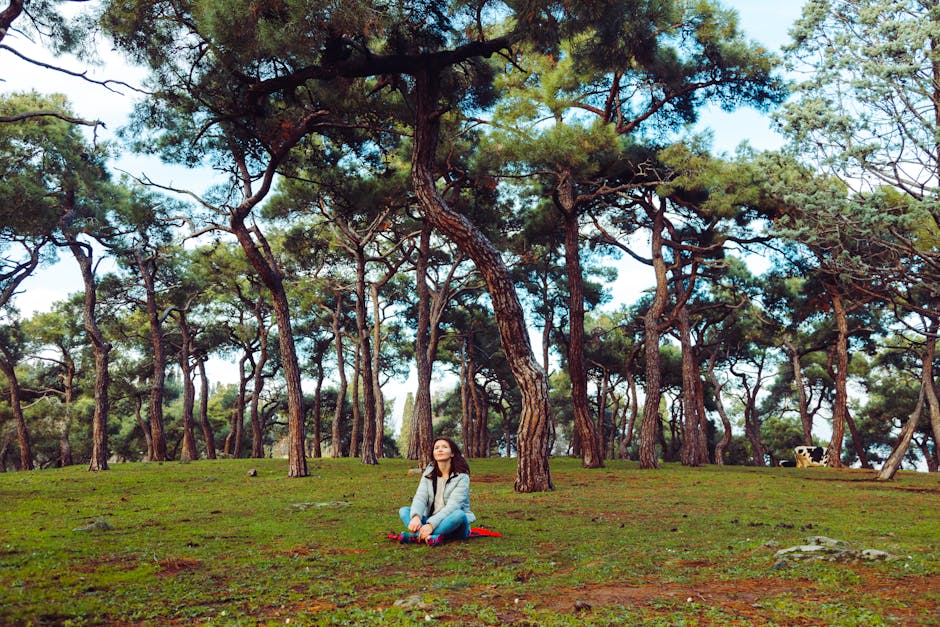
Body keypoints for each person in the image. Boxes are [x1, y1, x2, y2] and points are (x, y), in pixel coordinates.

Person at [396, 436, 475, 546]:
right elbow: (420, 497)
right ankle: (430, 538)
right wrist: (416, 517)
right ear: (433, 453)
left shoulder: (462, 477)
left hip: (452, 523)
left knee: (459, 515)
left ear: (452, 453)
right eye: (436, 448)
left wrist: (431, 525)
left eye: (444, 447)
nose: (440, 450)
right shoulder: (429, 472)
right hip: (430, 518)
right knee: (404, 511)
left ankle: (417, 536)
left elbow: (453, 507)